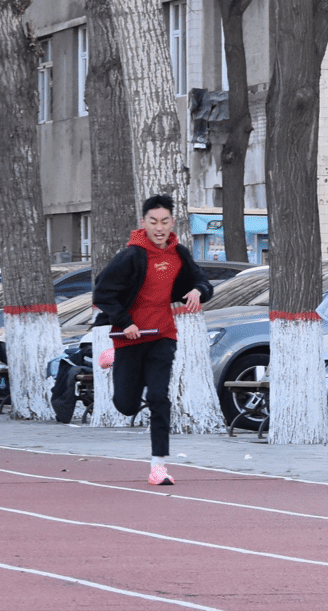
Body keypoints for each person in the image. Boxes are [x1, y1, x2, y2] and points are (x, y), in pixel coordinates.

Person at [92, 193, 213, 487]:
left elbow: (202, 281)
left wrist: (197, 290)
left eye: (165, 221)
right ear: (143, 222)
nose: (159, 228)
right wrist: (126, 322)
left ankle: (158, 466)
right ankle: (117, 359)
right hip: (130, 337)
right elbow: (102, 293)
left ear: (172, 223)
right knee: (127, 405)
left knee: (159, 397)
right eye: (153, 221)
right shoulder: (131, 256)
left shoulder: (179, 253)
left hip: (162, 335)